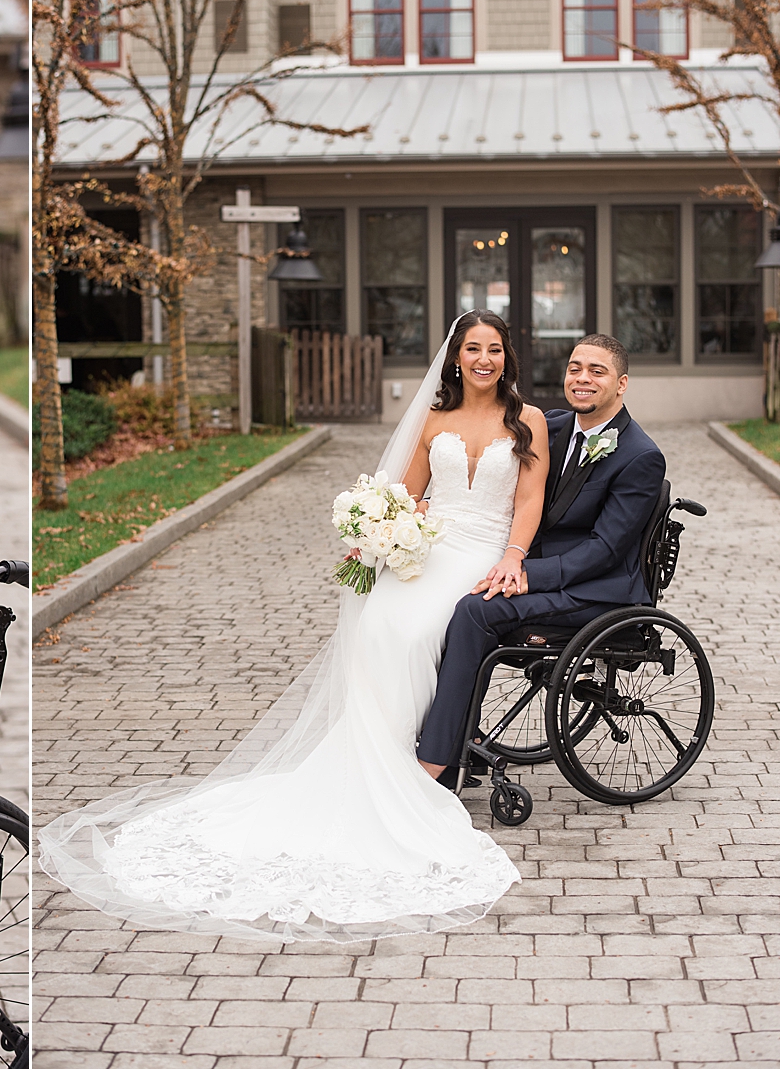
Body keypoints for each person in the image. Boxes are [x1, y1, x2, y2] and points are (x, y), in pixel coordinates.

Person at [38, 309, 537, 942]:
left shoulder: (528, 422)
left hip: (482, 552)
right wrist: (380, 533)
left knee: (414, 635)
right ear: (456, 357)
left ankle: (422, 767)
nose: (484, 360)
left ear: (506, 357)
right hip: (432, 545)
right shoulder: (435, 420)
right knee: (380, 622)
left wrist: (514, 557)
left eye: (494, 349)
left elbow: (528, 499)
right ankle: (375, 761)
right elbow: (410, 492)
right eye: (473, 349)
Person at [417, 332, 666, 778]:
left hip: (597, 590)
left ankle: (434, 761)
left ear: (622, 384)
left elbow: (606, 551)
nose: (582, 379)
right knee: (442, 599)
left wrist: (529, 575)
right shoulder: (547, 426)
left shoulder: (640, 456)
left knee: (475, 611)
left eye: (597, 371)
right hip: (536, 565)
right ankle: (451, 739)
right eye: (575, 368)